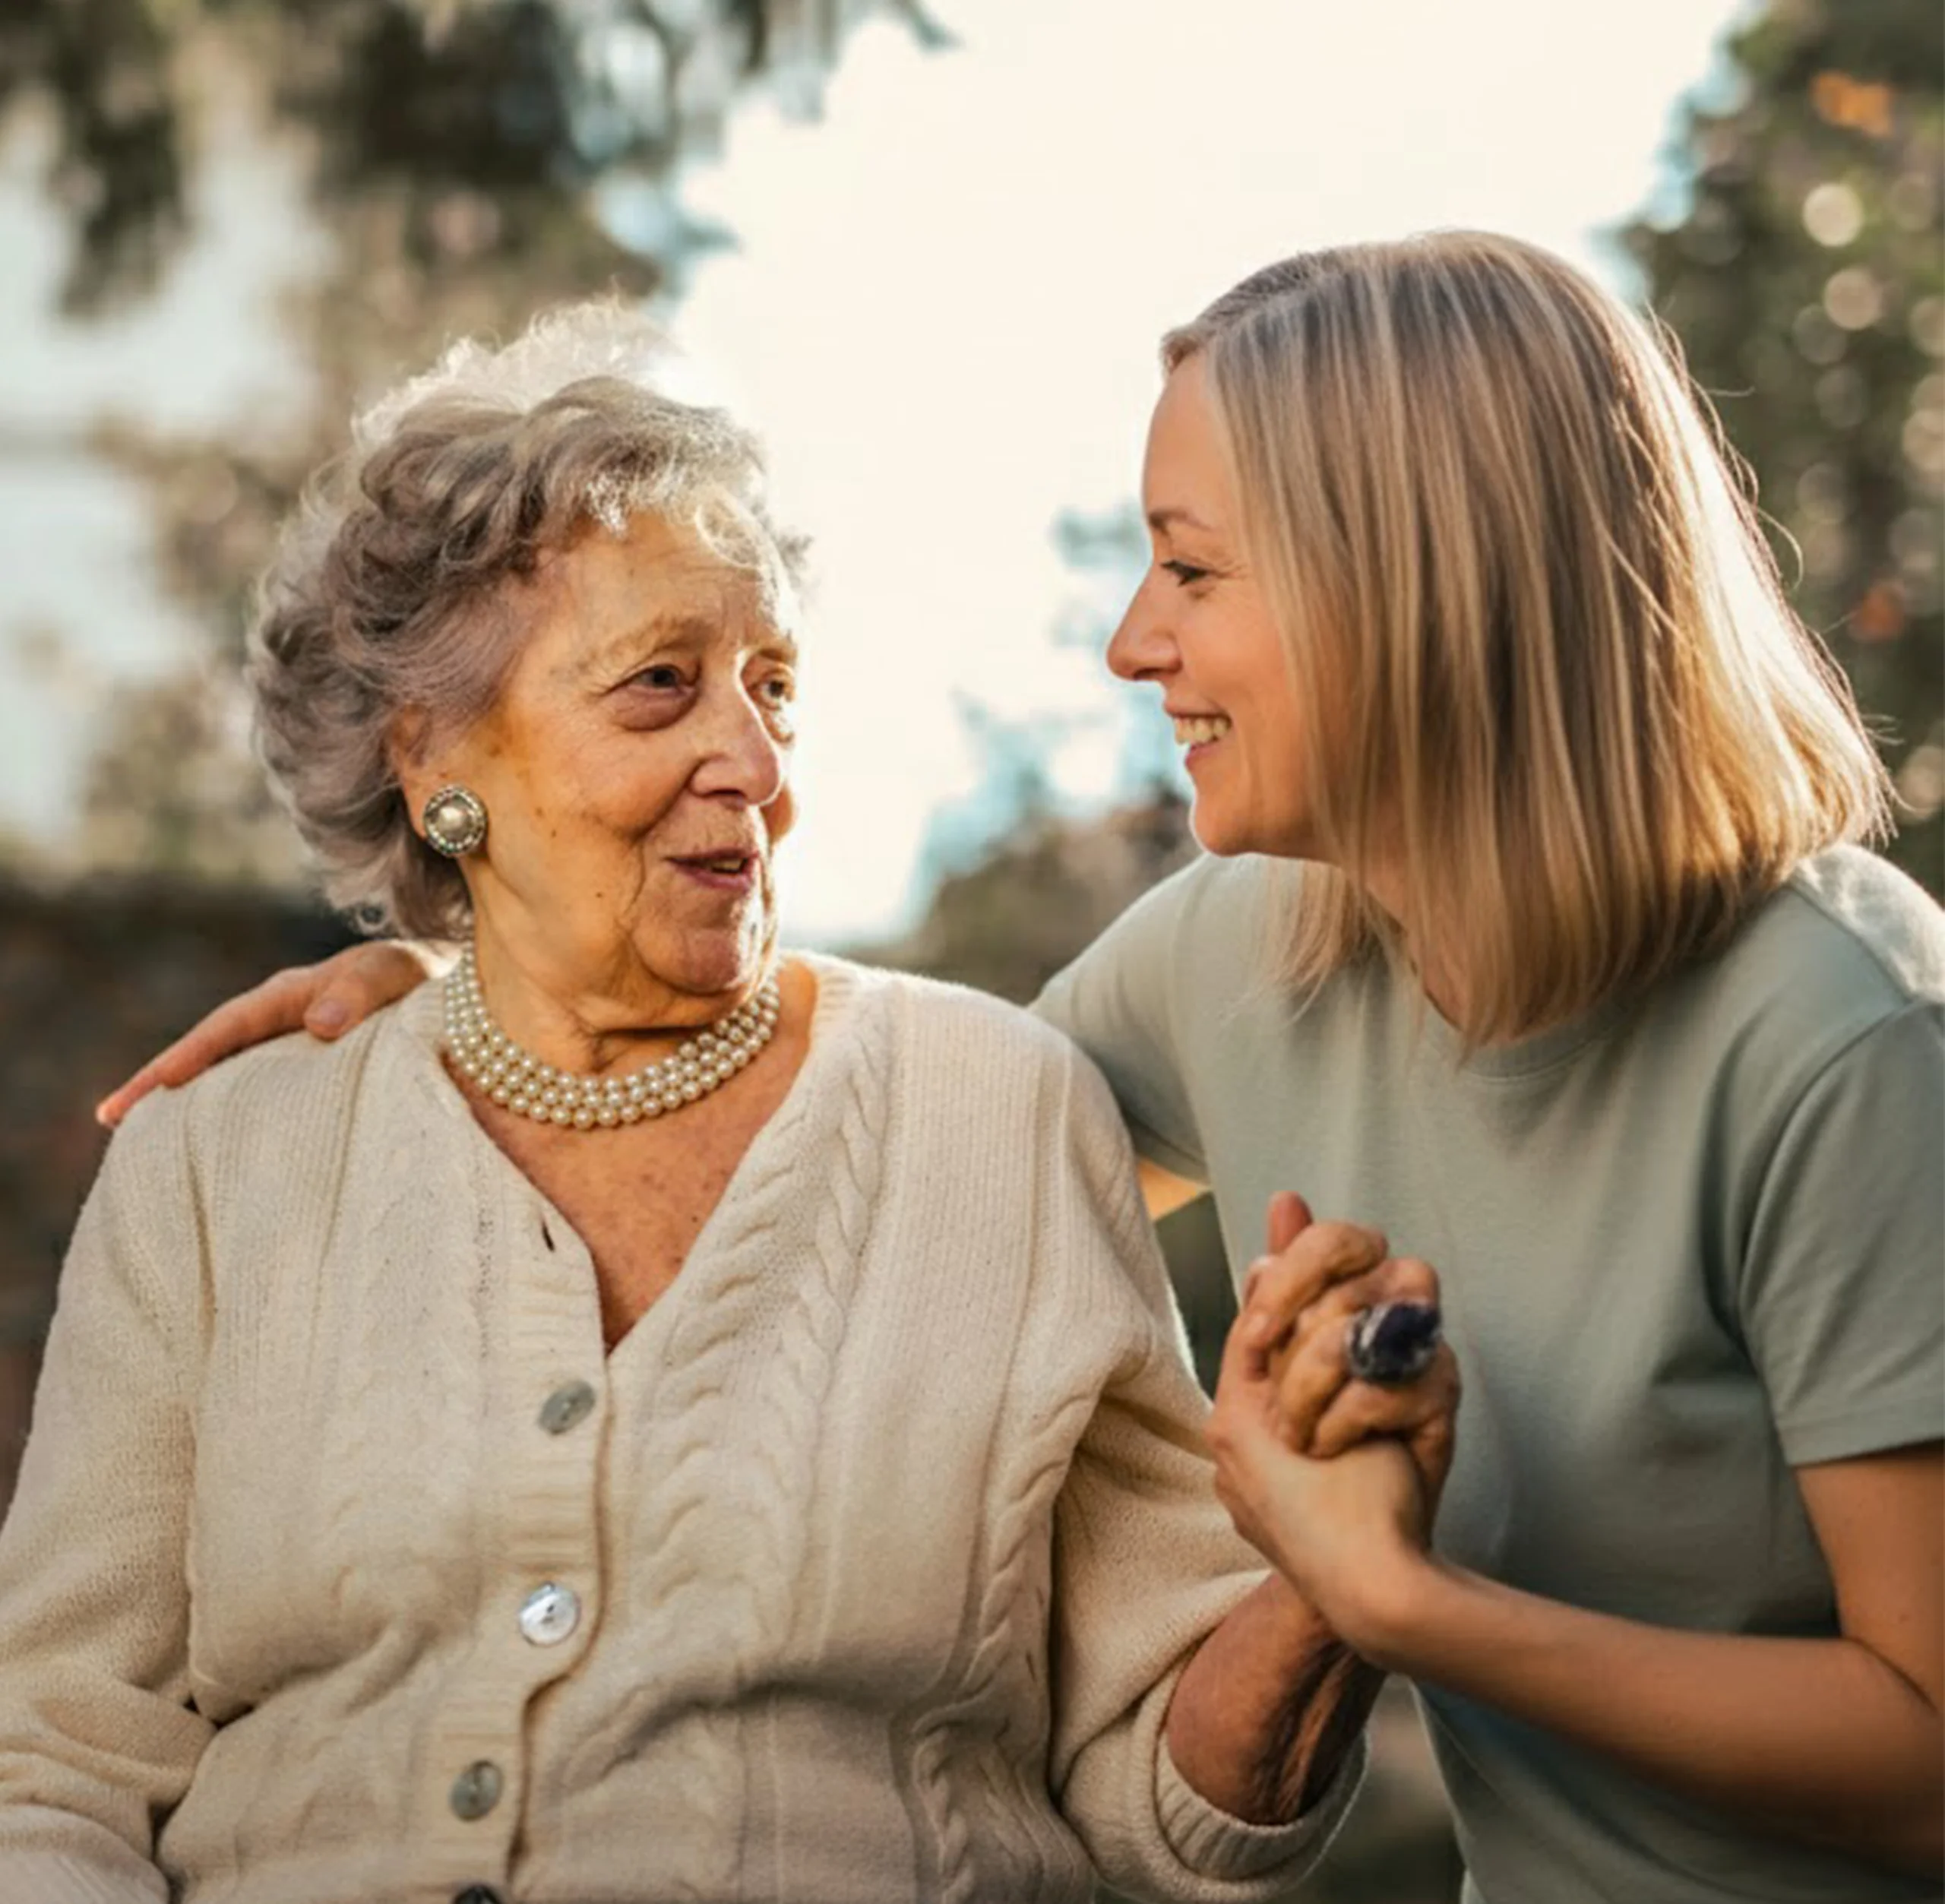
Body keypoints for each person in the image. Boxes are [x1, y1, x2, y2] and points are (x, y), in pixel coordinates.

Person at [122, 232, 1945, 1903]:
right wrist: (468, 946)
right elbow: (863, 1136)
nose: (1131, 636)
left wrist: (1399, 1600)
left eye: (1192, 567)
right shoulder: (1247, 947)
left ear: (1415, 588)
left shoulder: (1838, 1036)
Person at [0, 303, 1468, 1904]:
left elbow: (1156, 1809)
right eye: (658, 687)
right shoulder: (222, 1163)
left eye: (772, 683)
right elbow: (56, 1763)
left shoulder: (995, 1110)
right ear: (433, 762)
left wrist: (1325, 1589)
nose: (754, 759)